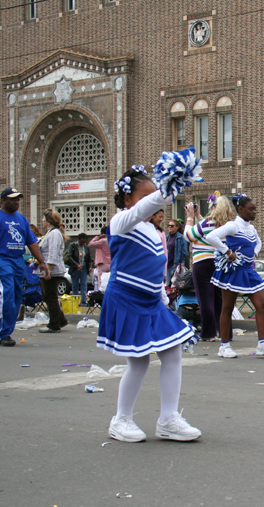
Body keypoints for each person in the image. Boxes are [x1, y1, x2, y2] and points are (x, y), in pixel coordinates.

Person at [102, 166, 201, 443]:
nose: (154, 200)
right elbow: (140, 210)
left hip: (150, 301)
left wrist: (162, 295)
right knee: (138, 361)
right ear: (126, 199)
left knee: (172, 352)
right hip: (126, 298)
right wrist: (165, 191)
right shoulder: (121, 221)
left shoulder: (152, 231)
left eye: (155, 194)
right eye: (146, 196)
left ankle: (168, 419)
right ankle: (120, 419)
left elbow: (155, 268)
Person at [204, 194, 264, 358]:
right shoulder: (233, 226)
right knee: (227, 307)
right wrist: (227, 251)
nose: (255, 212)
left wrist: (253, 253)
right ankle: (224, 346)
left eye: (255, 209)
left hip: (248, 270)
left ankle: (263, 344)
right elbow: (211, 236)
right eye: (251, 209)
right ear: (240, 210)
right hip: (233, 271)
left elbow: (258, 242)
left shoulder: (251, 228)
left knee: (261, 304)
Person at [0, 188, 51, 347]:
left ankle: (7, 332)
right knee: (7, 293)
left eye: (18, 199)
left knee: (18, 296)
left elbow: (32, 243)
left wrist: (42, 262)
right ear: (3, 200)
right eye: (13, 199)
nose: (16, 202)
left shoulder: (22, 220)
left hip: (18, 260)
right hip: (0, 259)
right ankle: (2, 334)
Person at [184, 193, 232, 342]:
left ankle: (208, 332)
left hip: (203, 263)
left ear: (213, 208)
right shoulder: (227, 225)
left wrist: (190, 217)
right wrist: (199, 216)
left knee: (205, 300)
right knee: (220, 301)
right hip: (219, 263)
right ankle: (226, 332)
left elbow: (188, 236)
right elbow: (205, 232)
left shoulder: (205, 224)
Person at [36, 209, 69, 333]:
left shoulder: (54, 233)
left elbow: (53, 252)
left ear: (48, 221)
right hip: (50, 269)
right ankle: (61, 319)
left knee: (50, 297)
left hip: (52, 270)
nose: (42, 222)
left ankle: (54, 324)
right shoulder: (50, 233)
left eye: (43, 219)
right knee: (47, 296)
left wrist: (48, 269)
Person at [66, 233, 93, 306]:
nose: (83, 244)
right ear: (78, 240)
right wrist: (76, 264)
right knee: (75, 285)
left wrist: (90, 267)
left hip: (83, 268)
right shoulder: (73, 246)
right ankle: (75, 302)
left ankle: (83, 302)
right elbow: (69, 256)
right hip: (75, 268)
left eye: (84, 242)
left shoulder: (86, 248)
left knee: (84, 284)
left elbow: (89, 259)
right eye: (81, 242)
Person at [166, 217, 188, 282]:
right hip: (167, 265)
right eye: (169, 225)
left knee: (176, 285)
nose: (170, 227)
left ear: (177, 227)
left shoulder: (181, 237)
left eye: (172, 226)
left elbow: (184, 252)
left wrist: (179, 263)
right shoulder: (166, 237)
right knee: (167, 285)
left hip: (176, 265)